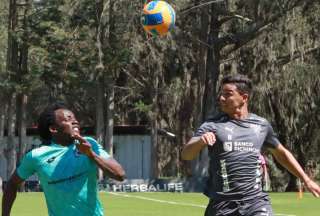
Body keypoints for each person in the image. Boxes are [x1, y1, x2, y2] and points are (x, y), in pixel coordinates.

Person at [181, 74, 320, 216]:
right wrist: (200, 142)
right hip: (222, 205)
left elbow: (282, 154)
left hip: (255, 202)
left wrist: (306, 179)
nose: (222, 98)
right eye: (221, 94)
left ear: (244, 98)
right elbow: (186, 154)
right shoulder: (212, 125)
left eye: (228, 94)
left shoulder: (261, 125)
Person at [2, 103, 126, 216]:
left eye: (75, 118)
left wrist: (91, 154)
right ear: (53, 129)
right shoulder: (36, 156)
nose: (75, 121)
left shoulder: (90, 144)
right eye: (68, 119)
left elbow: (119, 175)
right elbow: (12, 184)